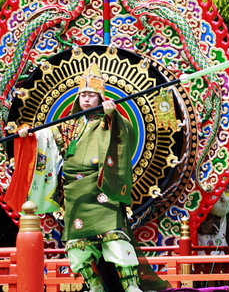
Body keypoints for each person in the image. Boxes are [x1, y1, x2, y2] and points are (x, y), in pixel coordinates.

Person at [12, 63, 166, 292]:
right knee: (77, 245)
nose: (86, 99)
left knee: (114, 240)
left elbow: (126, 135)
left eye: (91, 95)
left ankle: (132, 287)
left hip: (102, 189)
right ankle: (94, 287)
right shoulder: (69, 125)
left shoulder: (110, 120)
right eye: (83, 95)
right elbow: (46, 139)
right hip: (76, 192)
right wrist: (29, 132)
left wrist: (113, 114)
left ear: (100, 97)